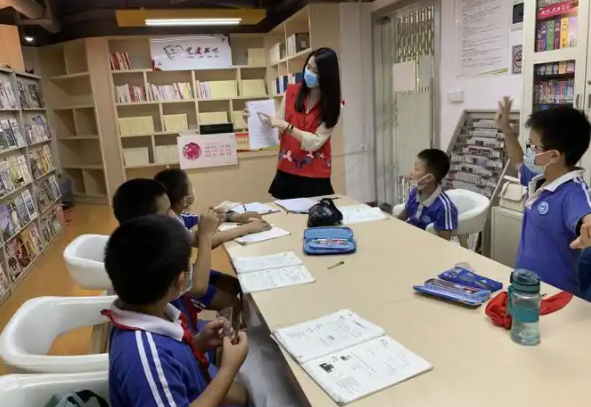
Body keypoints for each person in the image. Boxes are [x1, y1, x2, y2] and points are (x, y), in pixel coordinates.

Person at [103, 214, 249, 407]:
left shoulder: (143, 311)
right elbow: (159, 367)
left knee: (247, 392)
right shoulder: (145, 359)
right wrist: (228, 370)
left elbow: (172, 362)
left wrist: (200, 342)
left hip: (194, 386)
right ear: (181, 280)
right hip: (196, 396)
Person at [496, 97, 591, 294]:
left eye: (533, 147)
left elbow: (586, 215)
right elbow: (518, 161)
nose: (529, 152)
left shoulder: (573, 192)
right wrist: (506, 129)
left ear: (554, 155)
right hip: (525, 286)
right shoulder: (541, 177)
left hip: (555, 295)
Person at [112, 179, 236, 317]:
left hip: (184, 291)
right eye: (167, 212)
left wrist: (208, 227)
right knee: (232, 302)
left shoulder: (150, 237)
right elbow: (198, 287)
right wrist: (206, 234)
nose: (173, 215)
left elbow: (192, 238)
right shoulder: (148, 259)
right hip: (179, 313)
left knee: (234, 285)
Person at [250, 47, 342, 199]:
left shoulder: (333, 105)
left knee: (316, 212)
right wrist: (254, 119)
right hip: (287, 169)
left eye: (316, 71)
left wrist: (287, 127)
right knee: (285, 212)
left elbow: (315, 142)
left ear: (327, 76)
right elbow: (276, 130)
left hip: (316, 174)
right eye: (308, 67)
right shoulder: (291, 92)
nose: (309, 73)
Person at [153, 168, 271, 247]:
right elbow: (206, 240)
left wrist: (235, 217)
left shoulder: (177, 215)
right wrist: (248, 228)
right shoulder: (171, 224)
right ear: (184, 199)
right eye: (190, 186)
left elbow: (200, 222)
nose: (193, 189)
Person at [397, 149, 458, 240]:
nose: (411, 172)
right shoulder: (415, 192)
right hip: (409, 236)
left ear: (428, 178)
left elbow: (444, 241)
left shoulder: (444, 208)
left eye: (416, 169)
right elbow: (403, 215)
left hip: (424, 243)